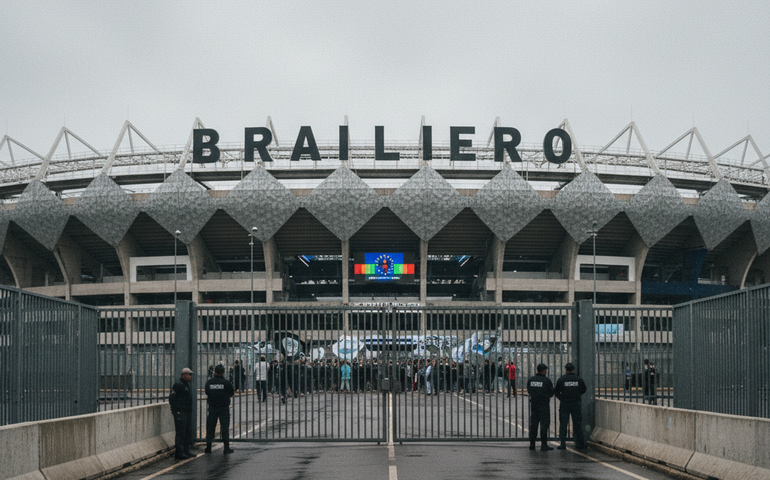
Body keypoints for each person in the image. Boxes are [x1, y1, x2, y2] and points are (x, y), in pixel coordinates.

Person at [554, 363, 587, 450]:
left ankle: (562, 443)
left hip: (565, 404)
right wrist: (576, 395)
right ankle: (580, 443)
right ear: (573, 369)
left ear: (566, 369)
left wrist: (562, 398)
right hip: (576, 403)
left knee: (563, 424)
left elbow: (556, 391)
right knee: (577, 424)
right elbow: (584, 389)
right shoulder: (578, 379)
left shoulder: (562, 379)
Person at [204, 364, 235, 455]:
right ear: (223, 372)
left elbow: (207, 392)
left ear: (215, 372)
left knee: (210, 428)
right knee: (224, 428)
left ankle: (208, 447)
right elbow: (231, 393)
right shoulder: (226, 383)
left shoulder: (209, 382)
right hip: (223, 408)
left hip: (213, 407)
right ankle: (226, 448)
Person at [527, 363, 554, 451]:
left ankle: (532, 444)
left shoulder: (531, 380)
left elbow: (529, 390)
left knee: (534, 424)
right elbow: (550, 393)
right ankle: (543, 444)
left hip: (534, 404)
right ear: (544, 370)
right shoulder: (547, 381)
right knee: (544, 425)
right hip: (544, 405)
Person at [169, 367, 195, 459]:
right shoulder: (178, 385)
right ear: (183, 375)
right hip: (181, 411)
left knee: (187, 431)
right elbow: (172, 397)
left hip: (186, 411)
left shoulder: (185, 384)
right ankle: (180, 452)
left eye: (190, 375)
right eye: (188, 375)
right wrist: (176, 409)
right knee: (181, 432)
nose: (190, 377)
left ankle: (186, 450)